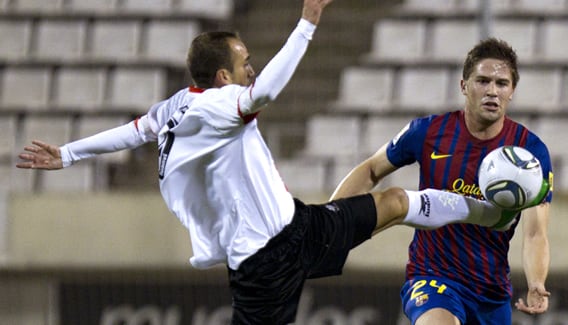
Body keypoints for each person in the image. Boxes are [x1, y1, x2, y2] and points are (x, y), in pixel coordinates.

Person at [16, 2, 539, 324]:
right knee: (397, 201)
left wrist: (67, 153)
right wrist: (307, 24)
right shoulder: (224, 105)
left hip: (299, 226)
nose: (251, 67)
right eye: (243, 62)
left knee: (399, 201)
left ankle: (487, 212)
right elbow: (265, 90)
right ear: (223, 78)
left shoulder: (177, 105)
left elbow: (131, 132)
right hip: (267, 263)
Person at [330, 38, 554, 325]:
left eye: (501, 83)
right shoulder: (429, 131)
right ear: (464, 86)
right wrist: (330, 219)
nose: (492, 91)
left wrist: (537, 281)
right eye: (482, 81)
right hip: (433, 277)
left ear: (512, 91)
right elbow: (372, 169)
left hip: (491, 293)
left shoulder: (530, 153)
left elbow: (536, 231)